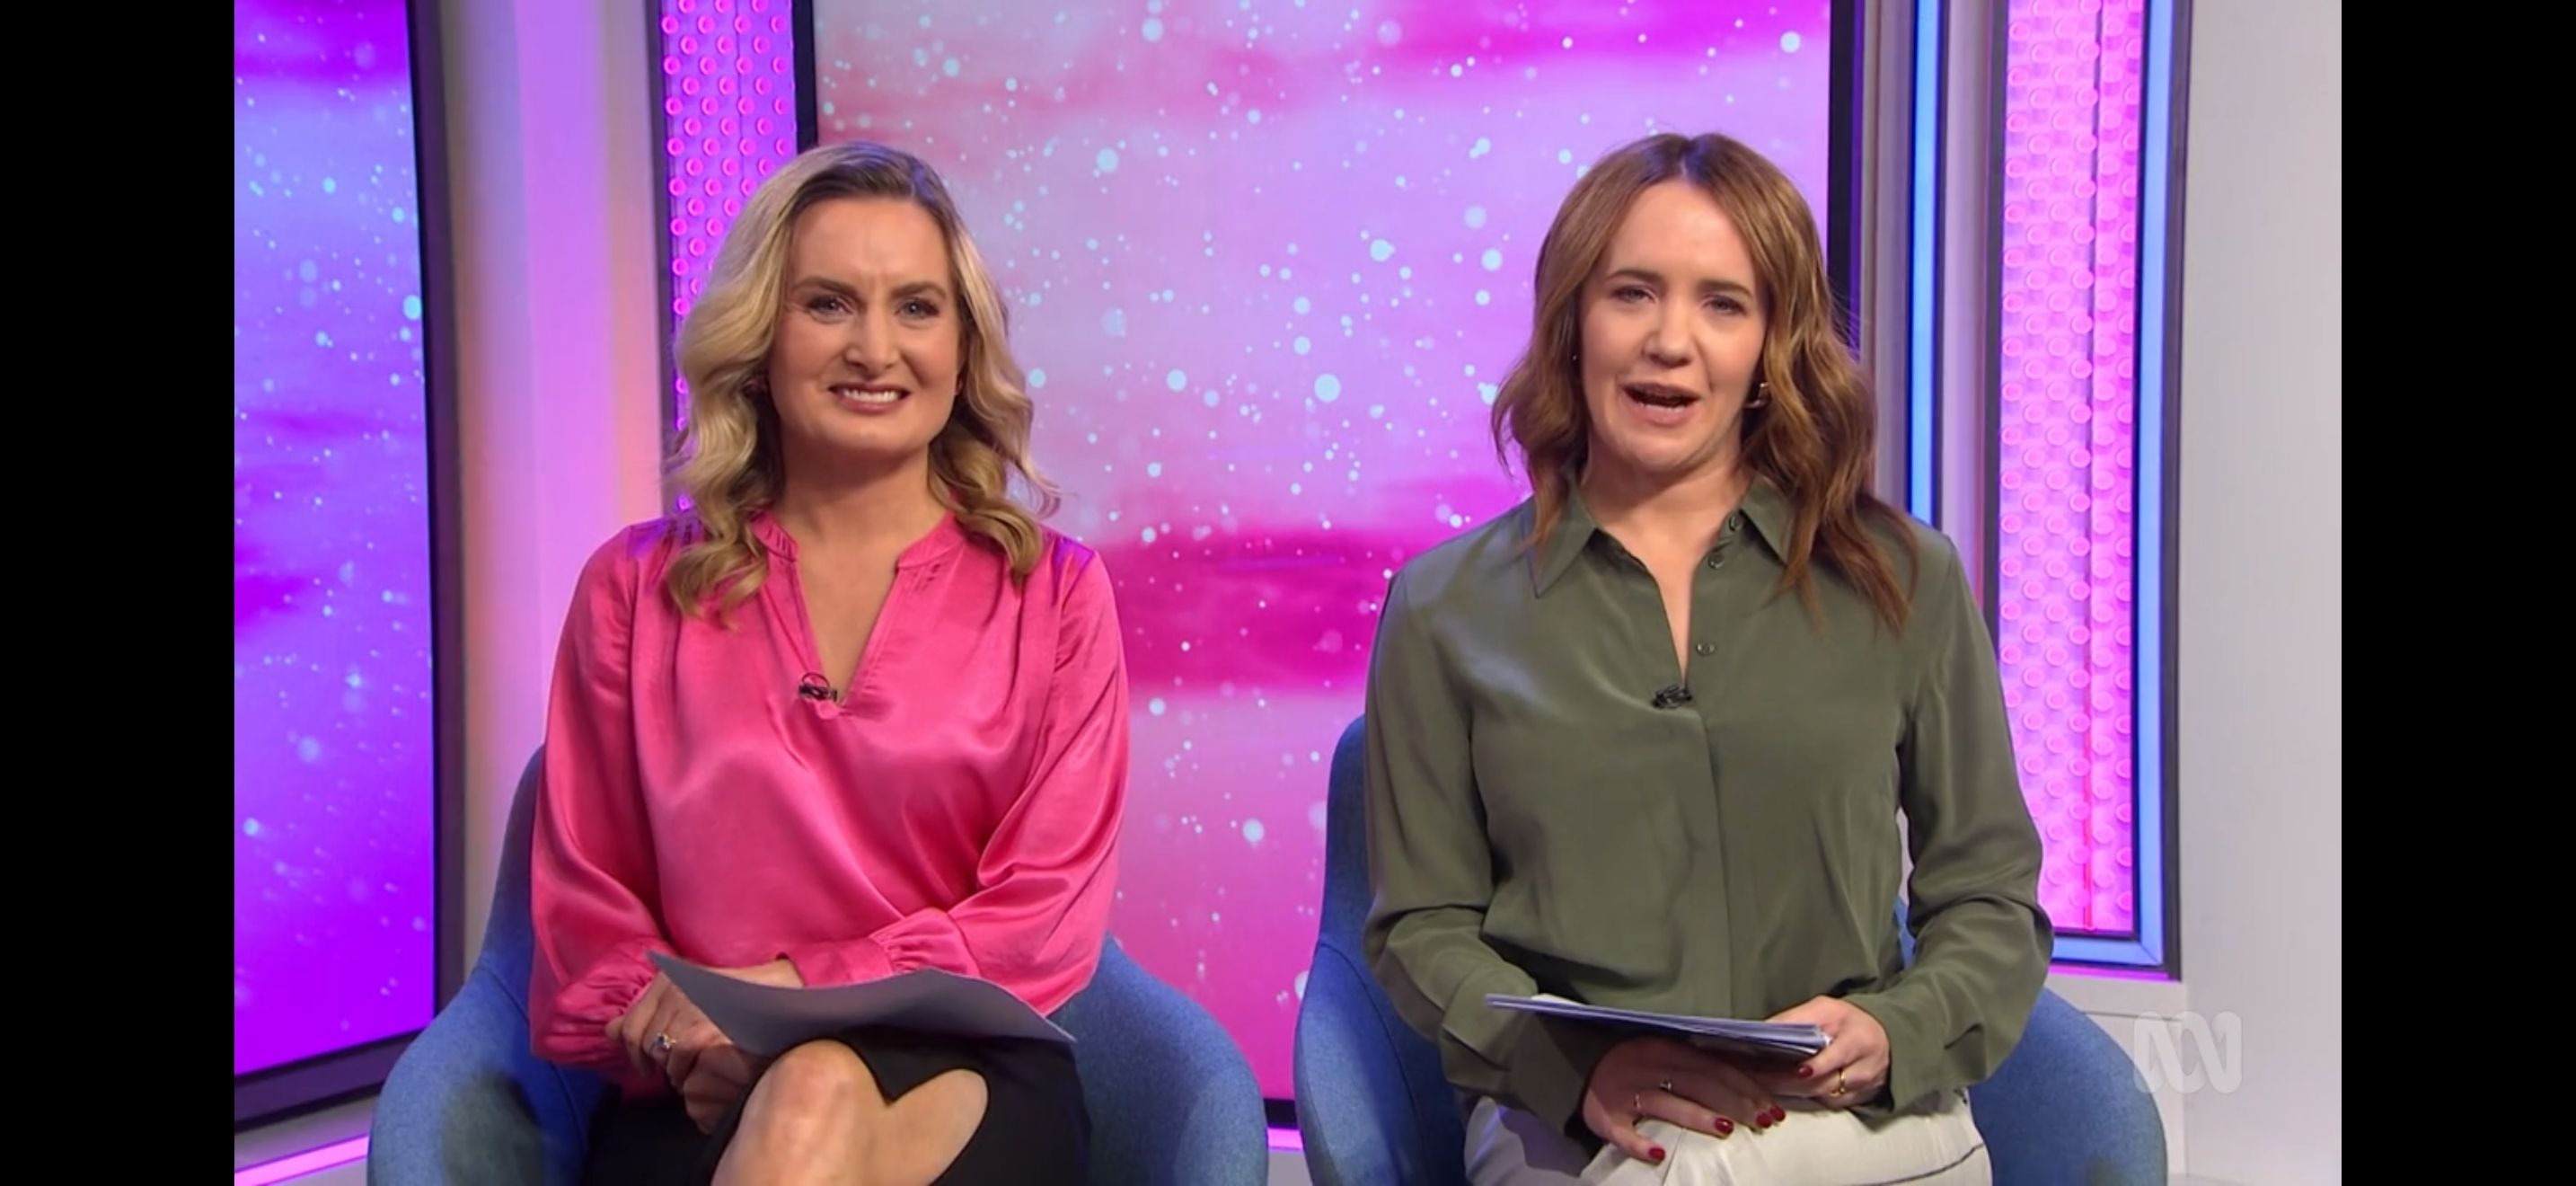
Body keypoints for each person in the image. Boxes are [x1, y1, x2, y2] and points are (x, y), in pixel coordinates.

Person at [1359, 131, 2053, 1185]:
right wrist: (1573, 1069)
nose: (1670, 342)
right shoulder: (1444, 608)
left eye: (1723, 304)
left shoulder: (1903, 580)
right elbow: (1421, 928)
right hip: (1577, 1118)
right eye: (1632, 294)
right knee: (1670, 1169)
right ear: (1574, 324)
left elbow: (1992, 897)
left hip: (1848, 1117)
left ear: (1773, 346)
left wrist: (1898, 1031)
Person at [527, 140, 1129, 1186]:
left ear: (963, 347)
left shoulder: (1057, 594)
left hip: (962, 1077)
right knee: (804, 1100)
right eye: (828, 304)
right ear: (761, 336)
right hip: (697, 1080)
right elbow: (589, 918)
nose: (874, 349)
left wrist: (793, 996)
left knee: (814, 1091)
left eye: (916, 308)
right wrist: (687, 1032)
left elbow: (1040, 921)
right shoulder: (633, 589)